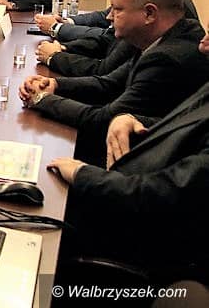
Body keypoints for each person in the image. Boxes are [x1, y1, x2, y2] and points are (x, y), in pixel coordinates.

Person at [46, 25, 209, 279]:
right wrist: (130, 118)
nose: (203, 43)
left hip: (142, 237)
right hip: (127, 184)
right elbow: (183, 123)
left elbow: (164, 193)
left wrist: (82, 174)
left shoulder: (170, 56)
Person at [19, 0, 208, 148]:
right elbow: (109, 84)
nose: (109, 17)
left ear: (149, 13)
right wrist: (55, 85)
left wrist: (41, 99)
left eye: (117, 9)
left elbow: (104, 120)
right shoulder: (163, 36)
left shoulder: (167, 58)